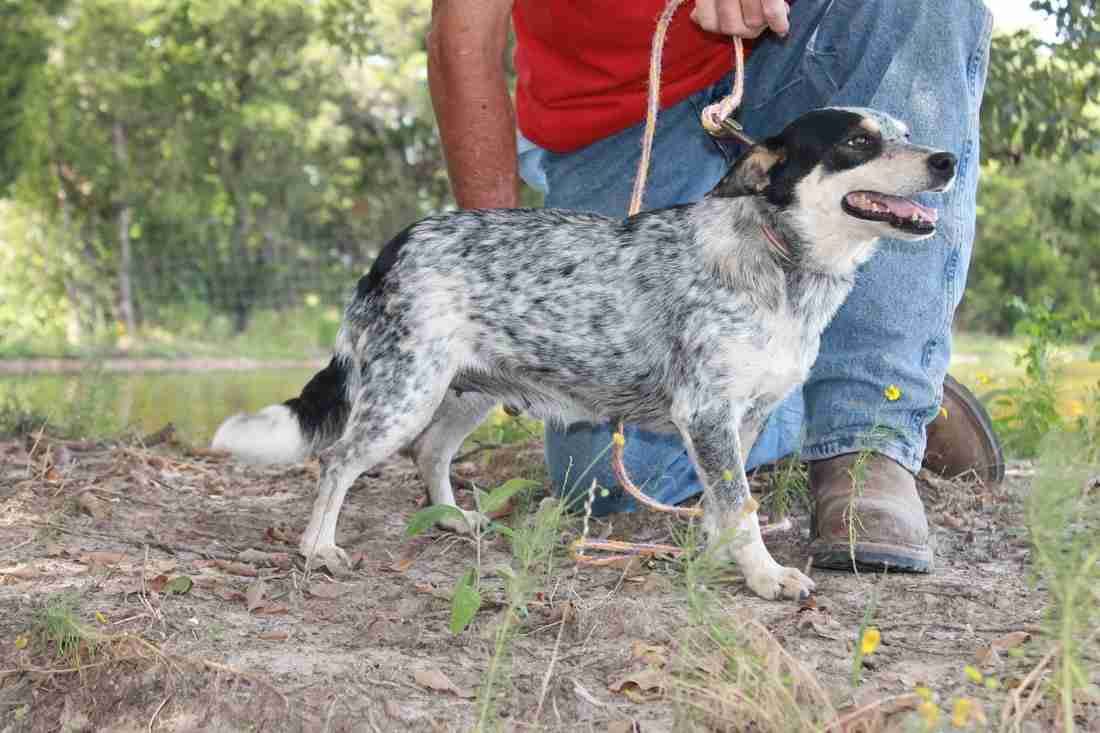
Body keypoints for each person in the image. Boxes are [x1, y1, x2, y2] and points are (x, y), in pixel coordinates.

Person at [426, 0, 1002, 572]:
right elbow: (464, 38)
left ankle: (871, 416)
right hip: (619, 111)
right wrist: (489, 278)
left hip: (800, 47)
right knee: (606, 479)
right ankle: (824, 380)